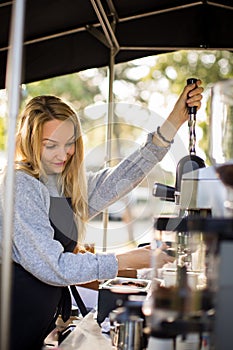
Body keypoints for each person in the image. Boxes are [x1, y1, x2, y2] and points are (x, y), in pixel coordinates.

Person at [0, 80, 203, 350]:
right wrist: (126, 260)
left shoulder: (65, 184)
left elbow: (123, 176)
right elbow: (54, 267)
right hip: (10, 323)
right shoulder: (21, 185)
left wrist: (174, 121)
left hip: (37, 326)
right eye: (51, 145)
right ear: (29, 141)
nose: (64, 154)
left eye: (70, 143)